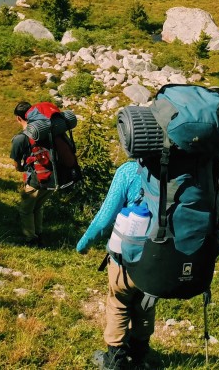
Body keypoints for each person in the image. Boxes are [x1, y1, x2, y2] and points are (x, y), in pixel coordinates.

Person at [76, 153, 157, 370]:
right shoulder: (184, 170)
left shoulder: (130, 172)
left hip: (127, 260)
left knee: (119, 304)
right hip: (162, 262)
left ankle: (115, 361)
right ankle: (140, 358)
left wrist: (84, 244)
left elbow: (104, 219)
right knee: (146, 304)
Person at [10, 100, 54, 246]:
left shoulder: (20, 138)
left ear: (18, 118)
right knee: (38, 207)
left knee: (25, 210)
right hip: (52, 177)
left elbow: (17, 163)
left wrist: (20, 169)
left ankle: (31, 239)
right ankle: (39, 233)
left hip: (35, 179)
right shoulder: (45, 131)